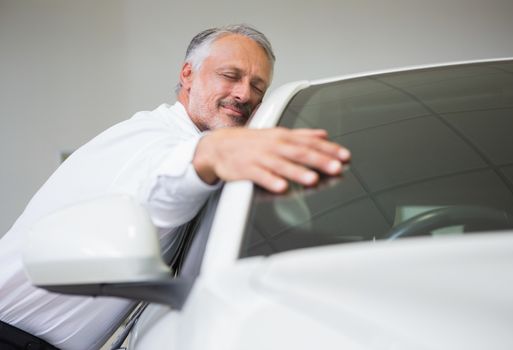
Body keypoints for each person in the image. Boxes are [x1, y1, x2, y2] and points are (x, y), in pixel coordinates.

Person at [0, 24, 350, 349]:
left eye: (258, 86)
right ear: (188, 75)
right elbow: (162, 186)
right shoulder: (149, 138)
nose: (244, 94)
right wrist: (211, 152)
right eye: (230, 76)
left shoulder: (199, 152)